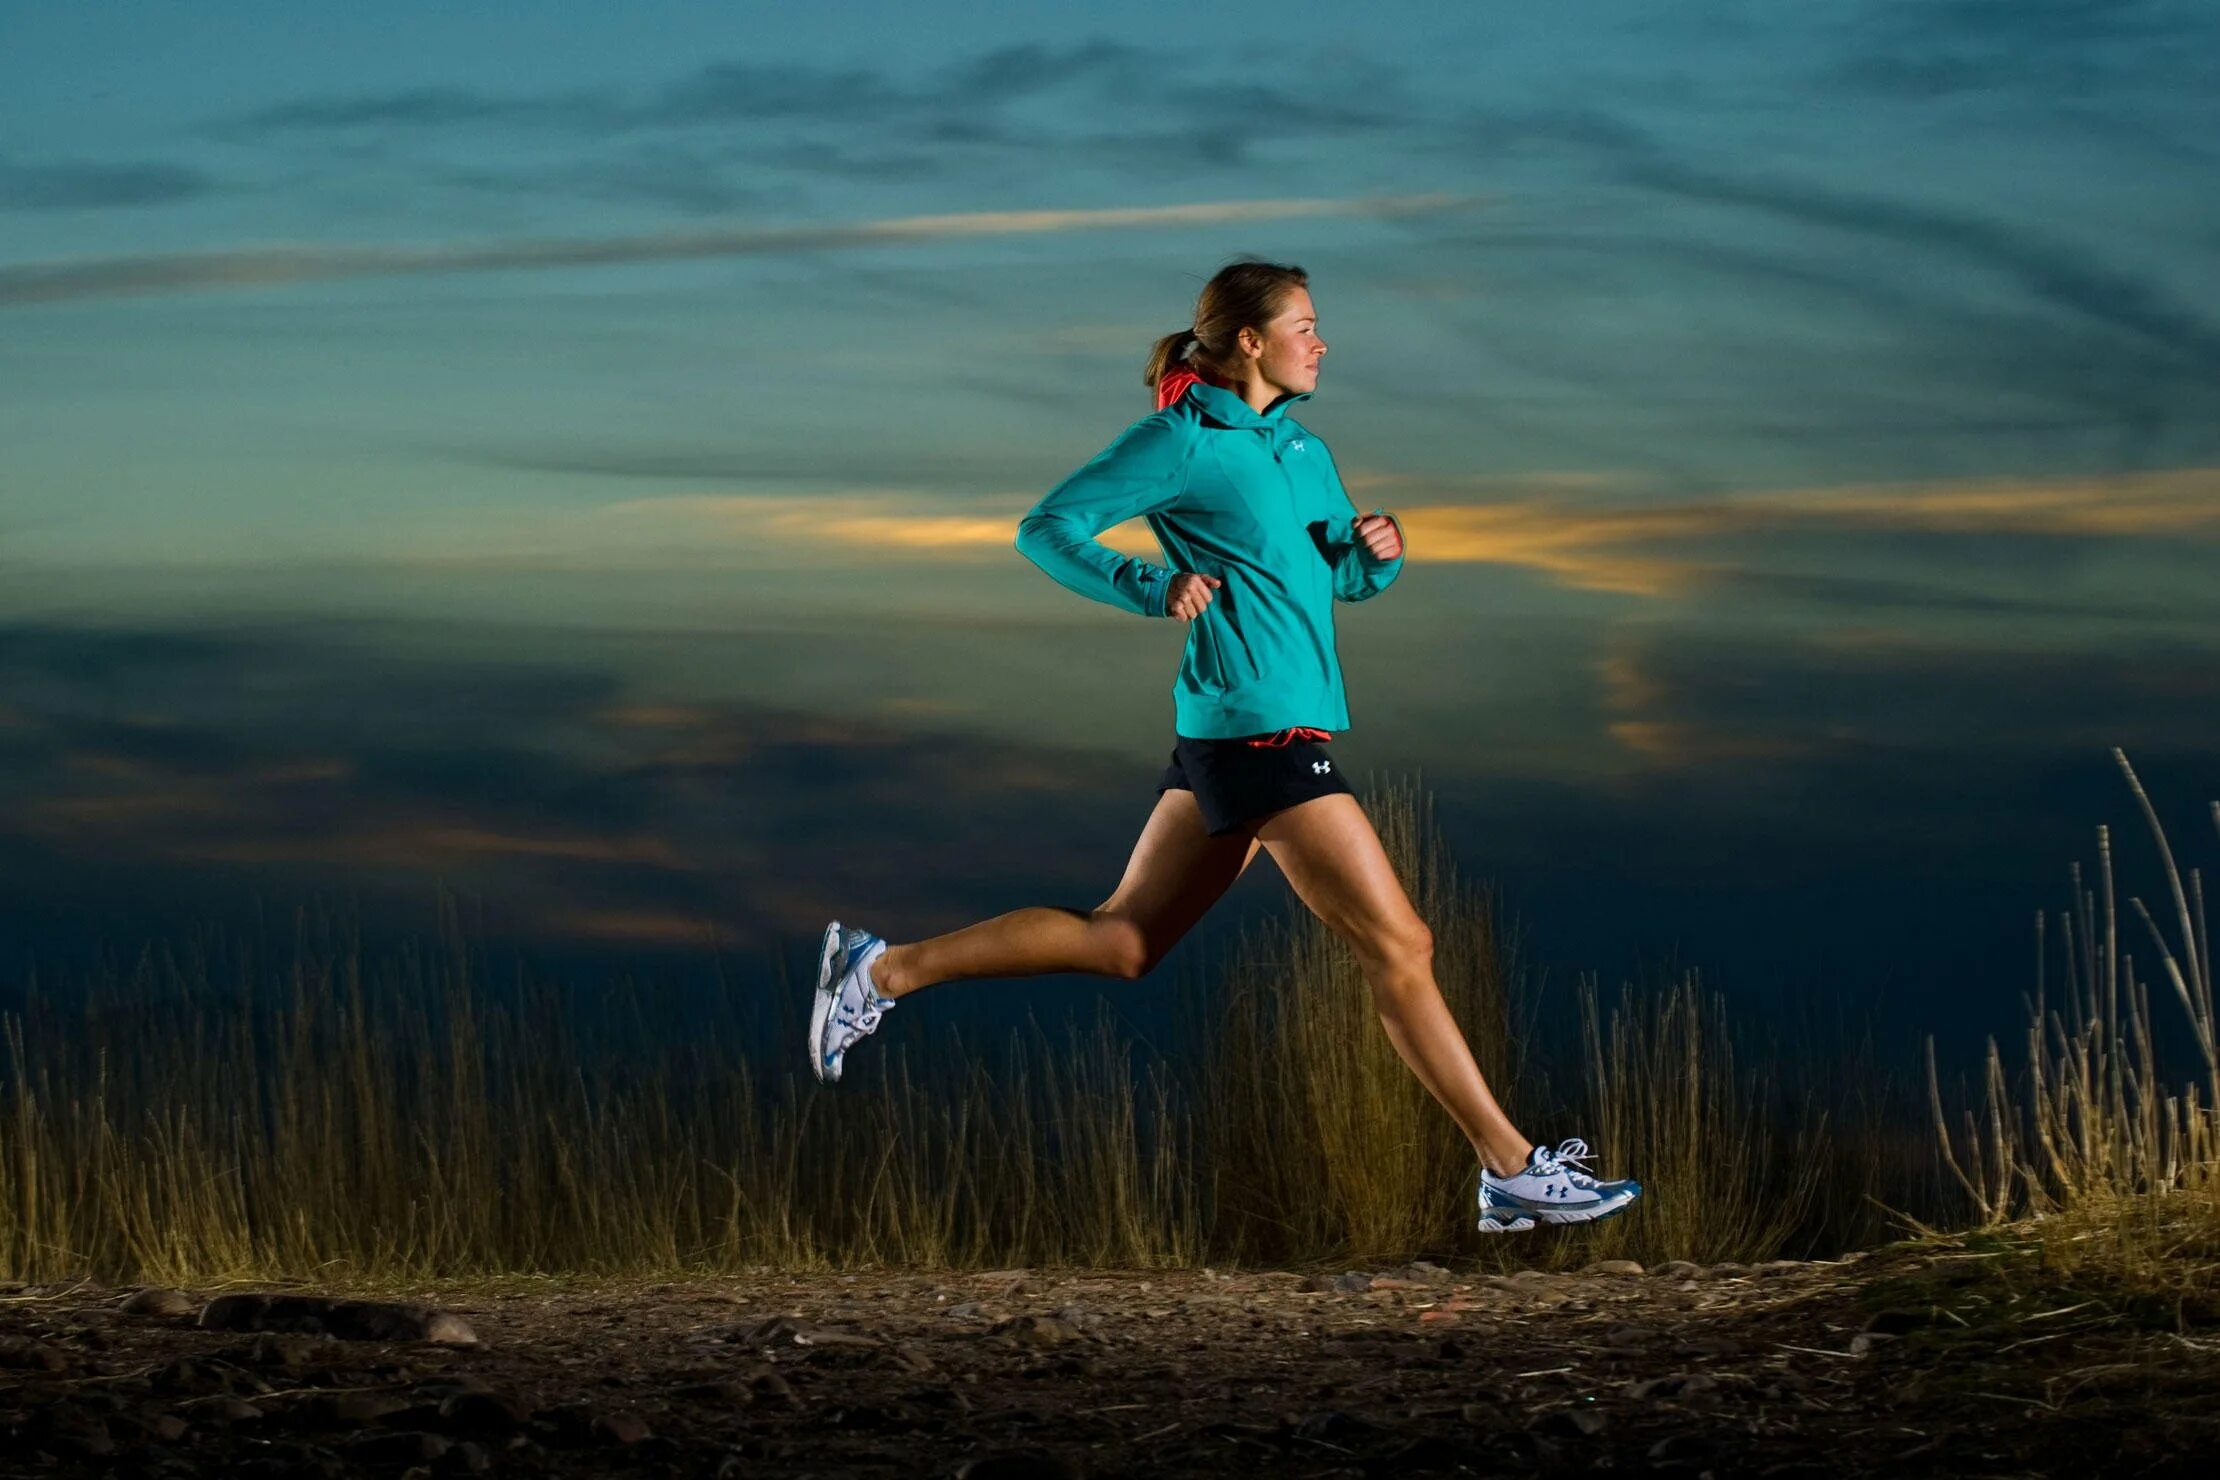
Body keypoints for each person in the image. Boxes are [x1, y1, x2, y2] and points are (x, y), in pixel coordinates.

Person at [811, 258, 1640, 1233]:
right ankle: (1509, 1168)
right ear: (1250, 339)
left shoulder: (1304, 452)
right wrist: (1148, 586)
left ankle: (878, 970)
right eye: (1306, 325)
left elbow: (1333, 580)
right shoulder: (1178, 440)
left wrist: (1378, 555)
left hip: (1257, 724)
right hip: (1256, 729)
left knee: (1121, 940)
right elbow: (1048, 526)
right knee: (1400, 943)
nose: (1322, 342)